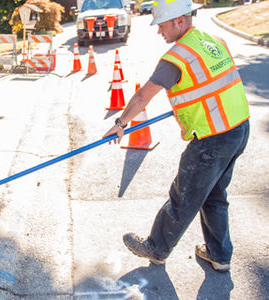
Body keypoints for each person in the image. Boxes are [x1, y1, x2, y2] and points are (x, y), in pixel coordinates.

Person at [102, 0, 250, 272]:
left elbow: (143, 95)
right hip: (238, 128)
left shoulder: (178, 57)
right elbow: (212, 85)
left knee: (185, 195)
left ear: (180, 21)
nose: (159, 31)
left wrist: (120, 122)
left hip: (213, 138)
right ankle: (219, 255)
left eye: (162, 25)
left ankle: (156, 248)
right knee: (214, 194)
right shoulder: (211, 40)